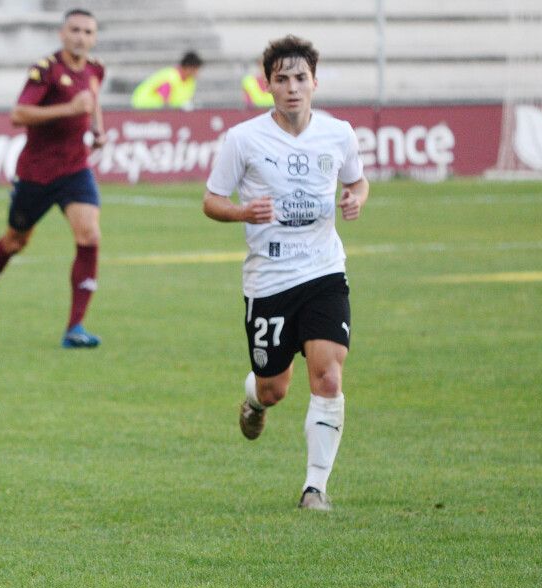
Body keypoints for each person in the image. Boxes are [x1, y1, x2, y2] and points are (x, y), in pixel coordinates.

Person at [202, 35, 369, 510]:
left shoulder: (338, 133)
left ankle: (314, 487)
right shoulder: (244, 139)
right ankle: (254, 399)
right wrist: (242, 214)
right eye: (282, 79)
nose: (292, 87)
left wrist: (356, 198)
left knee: (329, 377)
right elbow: (212, 200)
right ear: (267, 85)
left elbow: (357, 180)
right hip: (269, 279)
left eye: (300, 78)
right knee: (275, 387)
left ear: (314, 81)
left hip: (323, 271)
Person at [0, 8, 106, 348]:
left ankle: (75, 327)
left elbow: (92, 99)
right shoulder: (46, 71)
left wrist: (97, 128)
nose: (81, 37)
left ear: (94, 37)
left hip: (75, 168)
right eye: (74, 30)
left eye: (88, 32)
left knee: (89, 235)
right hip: (37, 173)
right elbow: (19, 114)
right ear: (62, 34)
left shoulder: (95, 69)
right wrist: (69, 110)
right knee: (15, 241)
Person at [130, 50, 202, 110]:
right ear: (188, 67)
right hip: (144, 106)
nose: (197, 72)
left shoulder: (190, 81)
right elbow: (166, 104)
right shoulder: (170, 77)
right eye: (196, 69)